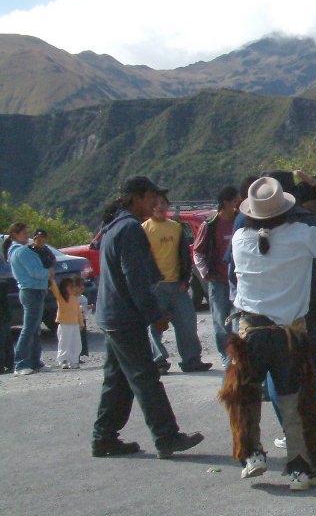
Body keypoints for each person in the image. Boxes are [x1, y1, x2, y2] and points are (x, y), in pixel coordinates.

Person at [219, 175, 316, 490]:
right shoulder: (299, 235)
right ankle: (299, 469)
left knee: (247, 394)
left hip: (249, 332)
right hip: (289, 334)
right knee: (293, 400)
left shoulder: (239, 239)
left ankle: (252, 454)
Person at [91, 175, 205, 459]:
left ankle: (103, 437)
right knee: (145, 378)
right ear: (137, 198)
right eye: (152, 197)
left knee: (117, 380)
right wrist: (155, 314)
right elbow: (136, 279)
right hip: (124, 317)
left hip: (112, 314)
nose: (157, 203)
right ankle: (166, 436)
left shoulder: (114, 226)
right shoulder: (129, 228)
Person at [142, 193, 212, 374]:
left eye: (163, 203)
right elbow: (142, 259)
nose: (159, 207)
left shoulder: (176, 227)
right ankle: (159, 362)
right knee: (154, 326)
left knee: (187, 324)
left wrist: (185, 279)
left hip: (177, 285)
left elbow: (185, 257)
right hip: (155, 286)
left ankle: (191, 360)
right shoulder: (144, 229)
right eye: (155, 203)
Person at [192, 185, 240, 366]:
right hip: (218, 281)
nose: (238, 204)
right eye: (235, 201)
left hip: (237, 280)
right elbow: (198, 252)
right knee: (221, 321)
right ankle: (225, 357)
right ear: (226, 203)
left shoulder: (240, 221)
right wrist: (205, 273)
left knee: (238, 320)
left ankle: (237, 355)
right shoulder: (210, 225)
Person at [6, 221, 51, 375]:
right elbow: (35, 272)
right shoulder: (21, 252)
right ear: (15, 235)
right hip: (30, 290)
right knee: (29, 328)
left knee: (35, 328)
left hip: (35, 289)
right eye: (24, 233)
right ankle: (20, 363)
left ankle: (35, 361)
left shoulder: (23, 250)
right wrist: (48, 273)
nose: (27, 236)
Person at [50, 275, 85, 368]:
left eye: (74, 286)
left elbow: (78, 312)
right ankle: (62, 360)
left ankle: (74, 361)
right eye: (70, 287)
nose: (73, 289)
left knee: (76, 343)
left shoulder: (75, 299)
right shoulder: (61, 298)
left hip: (75, 325)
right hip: (64, 324)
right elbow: (55, 289)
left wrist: (81, 323)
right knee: (64, 343)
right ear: (64, 288)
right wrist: (51, 279)